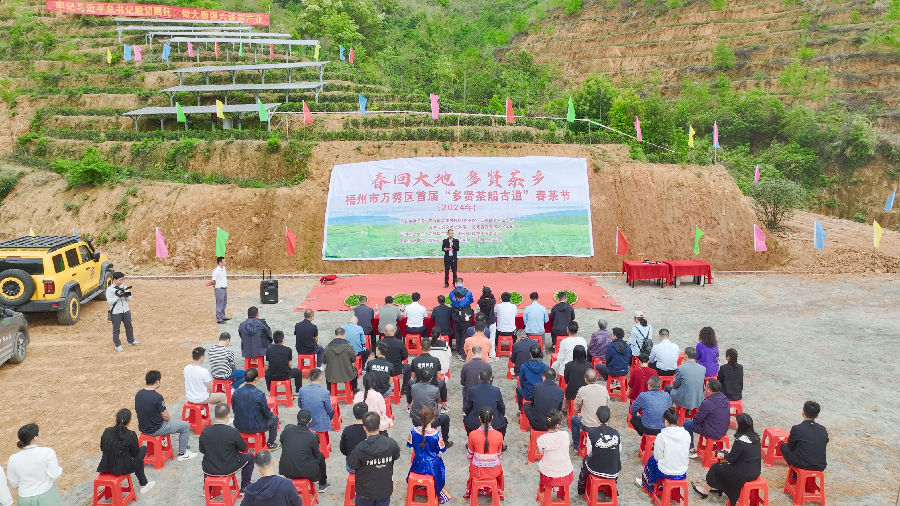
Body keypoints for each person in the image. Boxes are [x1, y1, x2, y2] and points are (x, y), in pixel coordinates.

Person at [692, 413, 761, 503]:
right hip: (755, 471)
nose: (735, 425)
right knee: (721, 464)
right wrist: (730, 451)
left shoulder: (740, 442)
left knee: (716, 466)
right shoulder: (756, 438)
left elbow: (731, 459)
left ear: (741, 426)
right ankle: (717, 486)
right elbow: (746, 453)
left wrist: (722, 455)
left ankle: (705, 490)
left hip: (742, 473)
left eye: (737, 423)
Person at [135, 370, 196, 461]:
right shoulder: (157, 397)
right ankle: (183, 453)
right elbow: (166, 417)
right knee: (185, 426)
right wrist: (167, 420)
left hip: (143, 428)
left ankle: (161, 447)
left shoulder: (138, 394)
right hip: (156, 429)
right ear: (157, 382)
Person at [348, 412, 401, 506]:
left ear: (364, 428)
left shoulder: (360, 448)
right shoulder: (391, 443)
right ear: (379, 425)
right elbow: (396, 456)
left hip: (365, 492)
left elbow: (351, 465)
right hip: (384, 489)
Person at [98, 409, 155, 495]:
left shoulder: (107, 431)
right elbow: (135, 454)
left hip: (106, 465)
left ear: (116, 419)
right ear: (129, 422)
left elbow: (102, 448)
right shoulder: (131, 434)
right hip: (121, 468)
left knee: (137, 457)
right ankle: (144, 484)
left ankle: (143, 483)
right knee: (142, 450)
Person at [200, 403, 255, 492]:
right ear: (228, 416)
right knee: (250, 457)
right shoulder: (233, 432)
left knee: (209, 458)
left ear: (215, 415)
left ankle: (207, 490)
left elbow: (202, 450)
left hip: (209, 468)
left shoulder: (205, 431)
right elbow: (243, 448)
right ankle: (245, 486)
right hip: (228, 468)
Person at [6, 424, 63, 505]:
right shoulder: (47, 452)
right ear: (35, 438)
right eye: (39, 432)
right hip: (46, 495)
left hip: (25, 498)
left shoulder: (13, 459)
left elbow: (13, 481)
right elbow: (54, 474)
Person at [638, 407, 690, 493]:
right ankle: (668, 490)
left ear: (666, 421)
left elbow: (657, 457)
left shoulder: (662, 436)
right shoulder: (686, 434)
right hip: (682, 471)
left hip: (666, 471)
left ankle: (650, 486)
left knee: (652, 460)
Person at [407, 406, 451, 504]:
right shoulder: (437, 434)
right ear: (433, 419)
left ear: (420, 418)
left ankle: (420, 486)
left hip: (417, 465)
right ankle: (436, 489)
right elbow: (442, 450)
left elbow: (410, 446)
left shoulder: (413, 431)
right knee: (440, 465)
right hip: (432, 468)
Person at [279, 409, 330, 492]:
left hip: (286, 471)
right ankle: (323, 483)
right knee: (321, 456)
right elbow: (316, 455)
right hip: (306, 472)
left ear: (297, 419)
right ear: (310, 420)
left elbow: (282, 443)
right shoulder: (313, 435)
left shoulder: (287, 430)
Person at [576, 406, 621, 496]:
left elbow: (589, 453)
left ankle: (581, 488)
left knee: (585, 460)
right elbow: (619, 451)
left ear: (596, 417)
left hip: (596, 470)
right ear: (609, 418)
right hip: (613, 471)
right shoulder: (616, 433)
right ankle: (611, 489)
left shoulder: (591, 432)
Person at [233, 368, 280, 450]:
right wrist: (270, 413)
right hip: (255, 426)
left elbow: (234, 409)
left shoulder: (236, 392)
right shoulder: (259, 394)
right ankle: (270, 444)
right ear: (256, 379)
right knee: (275, 418)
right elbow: (267, 414)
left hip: (239, 424)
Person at [465, 408, 505, 500]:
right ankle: (495, 490)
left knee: (472, 462)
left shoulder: (472, 434)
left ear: (479, 418)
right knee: (499, 466)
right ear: (492, 418)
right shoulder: (499, 435)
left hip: (477, 471)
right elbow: (499, 456)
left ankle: (474, 490)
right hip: (494, 471)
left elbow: (469, 455)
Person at [685, 379, 730, 457]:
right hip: (723, 429)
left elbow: (697, 419)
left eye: (705, 386)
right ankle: (718, 449)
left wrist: (694, 418)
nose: (704, 387)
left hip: (712, 431)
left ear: (709, 390)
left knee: (687, 424)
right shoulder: (724, 398)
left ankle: (691, 450)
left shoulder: (707, 403)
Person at [780, 401, 829, 472]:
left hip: (802, 464)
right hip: (820, 466)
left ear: (803, 412)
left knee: (783, 447)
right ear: (817, 416)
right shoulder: (823, 429)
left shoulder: (797, 428)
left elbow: (790, 447)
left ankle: (794, 473)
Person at [410, 369, 453, 446]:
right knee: (446, 419)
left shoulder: (413, 387)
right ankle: (445, 442)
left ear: (420, 376)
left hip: (416, 419)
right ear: (431, 378)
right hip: (430, 421)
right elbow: (437, 401)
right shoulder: (435, 389)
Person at [570, 368, 609, 451]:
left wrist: (576, 415)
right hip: (603, 423)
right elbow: (607, 405)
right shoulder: (604, 389)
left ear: (585, 379)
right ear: (597, 378)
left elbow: (576, 406)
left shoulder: (582, 390)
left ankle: (576, 446)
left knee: (573, 420)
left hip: (588, 425)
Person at [536, 410, 574, 491]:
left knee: (544, 460)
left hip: (549, 472)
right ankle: (557, 486)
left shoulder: (542, 438)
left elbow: (541, 452)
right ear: (557, 425)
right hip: (565, 470)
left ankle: (552, 486)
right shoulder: (565, 434)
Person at [463, 369, 507, 436]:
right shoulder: (496, 390)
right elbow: (501, 406)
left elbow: (469, 406)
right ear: (491, 378)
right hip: (494, 422)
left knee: (467, 420)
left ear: (479, 377)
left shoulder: (473, 390)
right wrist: (503, 414)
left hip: (475, 423)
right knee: (503, 421)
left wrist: (465, 413)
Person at [409, 339, 448, 413]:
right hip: (433, 386)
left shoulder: (415, 361)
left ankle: (409, 406)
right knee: (442, 382)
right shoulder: (436, 360)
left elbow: (414, 377)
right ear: (430, 348)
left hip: (419, 386)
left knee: (409, 383)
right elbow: (438, 376)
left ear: (420, 347)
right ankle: (443, 406)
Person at [106, 271, 137, 352]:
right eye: (120, 280)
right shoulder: (109, 290)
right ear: (114, 280)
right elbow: (110, 302)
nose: (122, 282)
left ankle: (131, 341)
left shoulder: (124, 287)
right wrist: (118, 296)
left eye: (122, 279)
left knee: (129, 326)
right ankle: (117, 345)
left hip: (126, 310)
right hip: (116, 312)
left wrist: (125, 294)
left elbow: (129, 299)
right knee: (116, 329)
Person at [297, 369, 334, 435]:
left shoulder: (302, 390)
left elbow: (300, 405)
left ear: (309, 378)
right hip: (320, 422)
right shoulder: (325, 392)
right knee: (332, 411)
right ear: (320, 377)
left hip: (305, 419)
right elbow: (329, 409)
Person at [325, 327, 359, 392]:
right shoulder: (348, 346)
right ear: (344, 335)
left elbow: (324, 361)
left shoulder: (328, 347)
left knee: (328, 373)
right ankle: (354, 390)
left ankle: (329, 391)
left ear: (335, 335)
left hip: (332, 374)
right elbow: (353, 359)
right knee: (355, 371)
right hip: (347, 373)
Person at [379, 324, 411, 393]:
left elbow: (377, 357)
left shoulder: (379, 343)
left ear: (384, 332)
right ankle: (405, 388)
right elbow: (405, 356)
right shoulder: (400, 342)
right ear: (394, 331)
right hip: (396, 369)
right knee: (408, 367)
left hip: (382, 368)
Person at [516, 343, 548, 410]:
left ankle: (520, 409)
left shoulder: (524, 366)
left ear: (530, 354)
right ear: (540, 353)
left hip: (529, 395)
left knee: (518, 388)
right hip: (542, 394)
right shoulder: (545, 366)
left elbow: (522, 382)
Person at [448, 278, 475, 355]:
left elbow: (451, 301)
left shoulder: (452, 293)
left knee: (457, 333)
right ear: (462, 283)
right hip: (466, 314)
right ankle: (463, 350)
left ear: (455, 284)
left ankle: (458, 349)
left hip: (456, 315)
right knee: (465, 333)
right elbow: (471, 301)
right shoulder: (468, 292)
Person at [341, 403, 370, 471]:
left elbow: (343, 450)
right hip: (367, 466)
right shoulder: (370, 430)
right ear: (367, 414)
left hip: (352, 466)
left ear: (354, 414)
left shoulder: (347, 430)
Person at [477, 286, 497, 358]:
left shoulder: (480, 302)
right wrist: (490, 295)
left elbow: (480, 300)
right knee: (492, 339)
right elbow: (493, 298)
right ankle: (492, 355)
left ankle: (483, 354)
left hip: (483, 322)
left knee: (482, 339)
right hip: (491, 321)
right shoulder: (492, 302)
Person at [209, 256, 229, 323]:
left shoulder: (224, 268)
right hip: (219, 289)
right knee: (219, 304)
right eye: (224, 261)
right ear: (220, 263)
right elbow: (214, 280)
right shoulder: (216, 271)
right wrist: (214, 285)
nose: (225, 262)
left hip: (224, 288)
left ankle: (223, 316)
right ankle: (219, 319)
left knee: (224, 303)